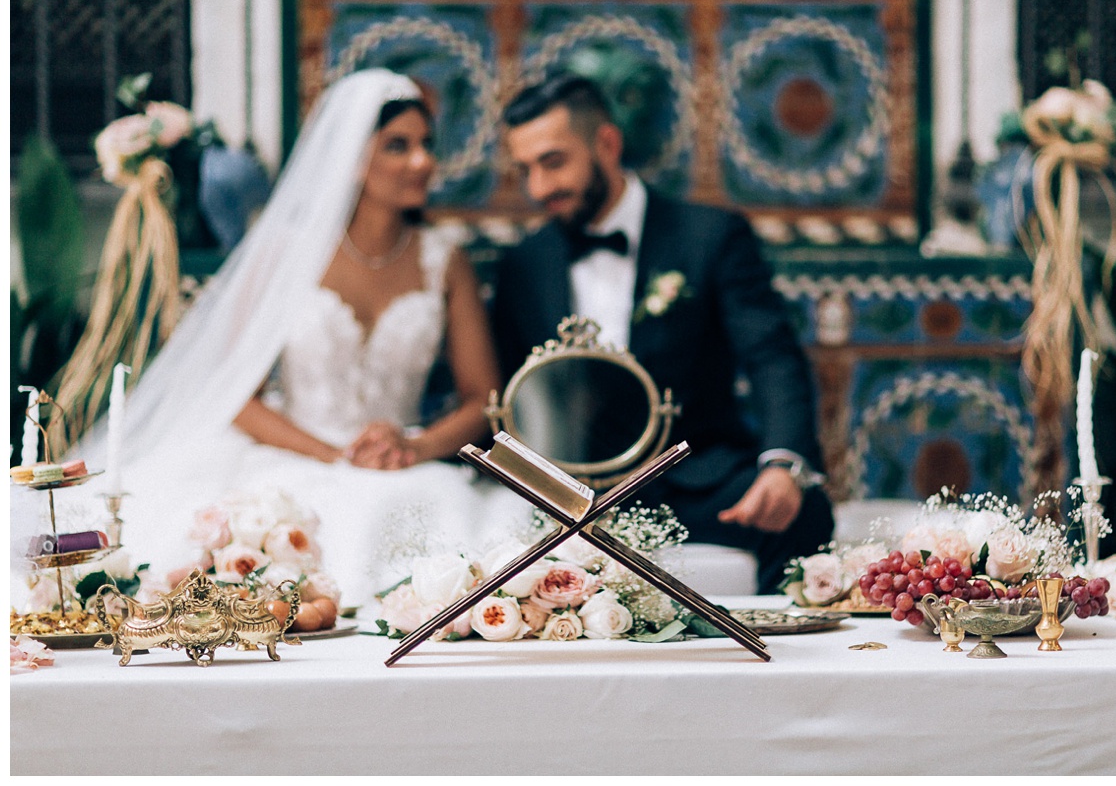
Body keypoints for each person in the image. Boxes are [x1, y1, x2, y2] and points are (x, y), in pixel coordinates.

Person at [60, 69, 530, 611]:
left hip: (403, 463)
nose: (423, 161)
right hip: (295, 454)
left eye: (426, 145)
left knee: (448, 525)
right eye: (398, 146)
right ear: (351, 156)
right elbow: (235, 395)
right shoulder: (283, 256)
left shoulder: (445, 260)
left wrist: (414, 446)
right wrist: (332, 455)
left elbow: (483, 400)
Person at [490, 73, 834, 593]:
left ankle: (772, 667)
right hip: (567, 492)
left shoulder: (710, 237)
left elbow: (772, 357)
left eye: (553, 162)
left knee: (803, 510)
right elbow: (501, 391)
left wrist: (784, 464)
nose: (539, 187)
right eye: (525, 170)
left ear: (606, 143)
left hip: (690, 480)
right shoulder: (524, 264)